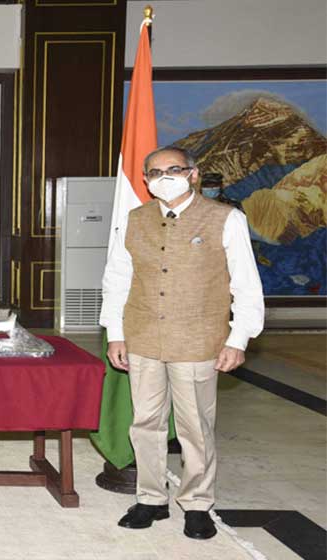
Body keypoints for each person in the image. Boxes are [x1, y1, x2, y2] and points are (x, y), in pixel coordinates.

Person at [100, 146, 264, 540]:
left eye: (173, 170)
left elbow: (246, 284)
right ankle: (151, 499)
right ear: (145, 180)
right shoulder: (133, 219)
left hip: (198, 341)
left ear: (193, 174)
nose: (164, 178)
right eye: (155, 173)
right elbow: (117, 279)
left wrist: (238, 338)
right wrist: (116, 333)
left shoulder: (225, 219)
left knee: (195, 428)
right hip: (142, 337)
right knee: (146, 423)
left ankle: (197, 504)